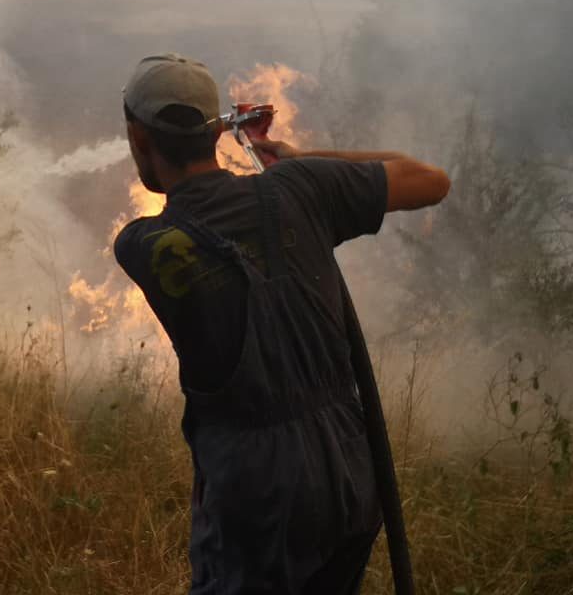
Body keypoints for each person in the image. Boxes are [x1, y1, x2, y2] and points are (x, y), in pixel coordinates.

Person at [113, 53, 451, 595]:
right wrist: (301, 161)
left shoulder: (143, 246)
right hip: (347, 472)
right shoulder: (302, 187)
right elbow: (431, 180)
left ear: (138, 136)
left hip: (257, 491)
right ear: (217, 132)